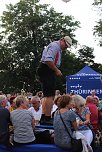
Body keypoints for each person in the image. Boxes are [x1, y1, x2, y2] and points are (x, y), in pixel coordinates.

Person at [37, 36, 72, 123]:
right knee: (50, 95)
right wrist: (56, 70)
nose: (66, 47)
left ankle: (44, 117)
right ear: (62, 40)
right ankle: (48, 117)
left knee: (47, 95)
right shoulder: (55, 46)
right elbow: (48, 60)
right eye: (66, 45)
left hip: (46, 69)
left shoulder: (57, 47)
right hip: (47, 69)